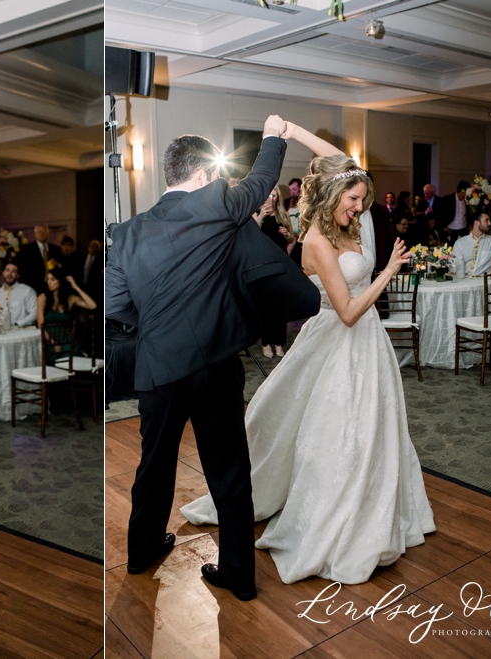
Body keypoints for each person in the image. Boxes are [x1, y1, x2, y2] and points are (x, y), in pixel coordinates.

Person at [181, 125, 435, 585]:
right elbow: (349, 312)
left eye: (361, 198)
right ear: (334, 194)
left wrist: (293, 131)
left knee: (377, 426)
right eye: (353, 199)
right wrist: (388, 272)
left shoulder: (351, 221)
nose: (359, 206)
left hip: (370, 345)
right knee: (339, 430)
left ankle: (379, 507)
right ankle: (335, 516)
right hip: (338, 339)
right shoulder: (316, 238)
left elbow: (346, 163)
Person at [106, 117, 320, 601]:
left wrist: (159, 326)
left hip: (158, 369)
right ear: (203, 174)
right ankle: (238, 575)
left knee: (153, 466)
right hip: (214, 366)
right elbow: (262, 181)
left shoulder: (127, 232)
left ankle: (141, 551)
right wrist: (273, 136)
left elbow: (116, 305)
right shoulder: (215, 203)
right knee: (228, 473)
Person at [253, 187, 296, 358]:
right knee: (265, 307)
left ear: (278, 197)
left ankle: (279, 343)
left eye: (274, 195)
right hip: (263, 265)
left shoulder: (282, 215)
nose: (270, 198)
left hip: (281, 264)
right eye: (267, 194)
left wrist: (287, 235)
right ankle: (266, 343)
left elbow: (291, 239)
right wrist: (261, 218)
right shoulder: (254, 213)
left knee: (280, 307)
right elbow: (252, 238)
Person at [36, 267, 97, 364]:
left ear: (60, 281)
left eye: (53, 279)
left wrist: (76, 287)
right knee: (55, 362)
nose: (49, 282)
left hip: (66, 339)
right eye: (48, 279)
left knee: (73, 361)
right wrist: (52, 342)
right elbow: (40, 325)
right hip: (48, 339)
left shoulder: (70, 298)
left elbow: (92, 306)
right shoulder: (43, 297)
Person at [0, 261, 37, 328]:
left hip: (22, 330)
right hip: (0, 331)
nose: (10, 274)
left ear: (18, 275)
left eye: (13, 271)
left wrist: (18, 324)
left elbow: (35, 313)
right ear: (3, 273)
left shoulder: (27, 291)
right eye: (7, 270)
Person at [18, 224, 62, 294]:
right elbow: (22, 269)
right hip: (33, 286)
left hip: (53, 286)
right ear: (35, 234)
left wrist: (58, 264)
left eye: (44, 231)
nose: (42, 234)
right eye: (39, 232)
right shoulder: (26, 249)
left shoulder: (56, 249)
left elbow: (64, 267)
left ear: (48, 233)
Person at [454, 211, 491, 277]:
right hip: (464, 281)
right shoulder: (460, 243)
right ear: (476, 223)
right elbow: (454, 266)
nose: (490, 223)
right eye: (486, 220)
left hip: (485, 281)